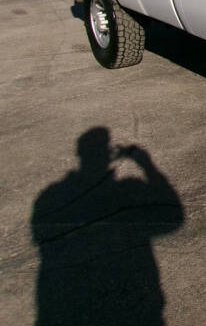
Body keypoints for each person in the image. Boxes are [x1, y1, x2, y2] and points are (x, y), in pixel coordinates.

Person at [31, 127, 183, 326]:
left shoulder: (50, 196)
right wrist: (146, 164)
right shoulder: (128, 189)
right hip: (133, 304)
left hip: (65, 305)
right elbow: (173, 217)